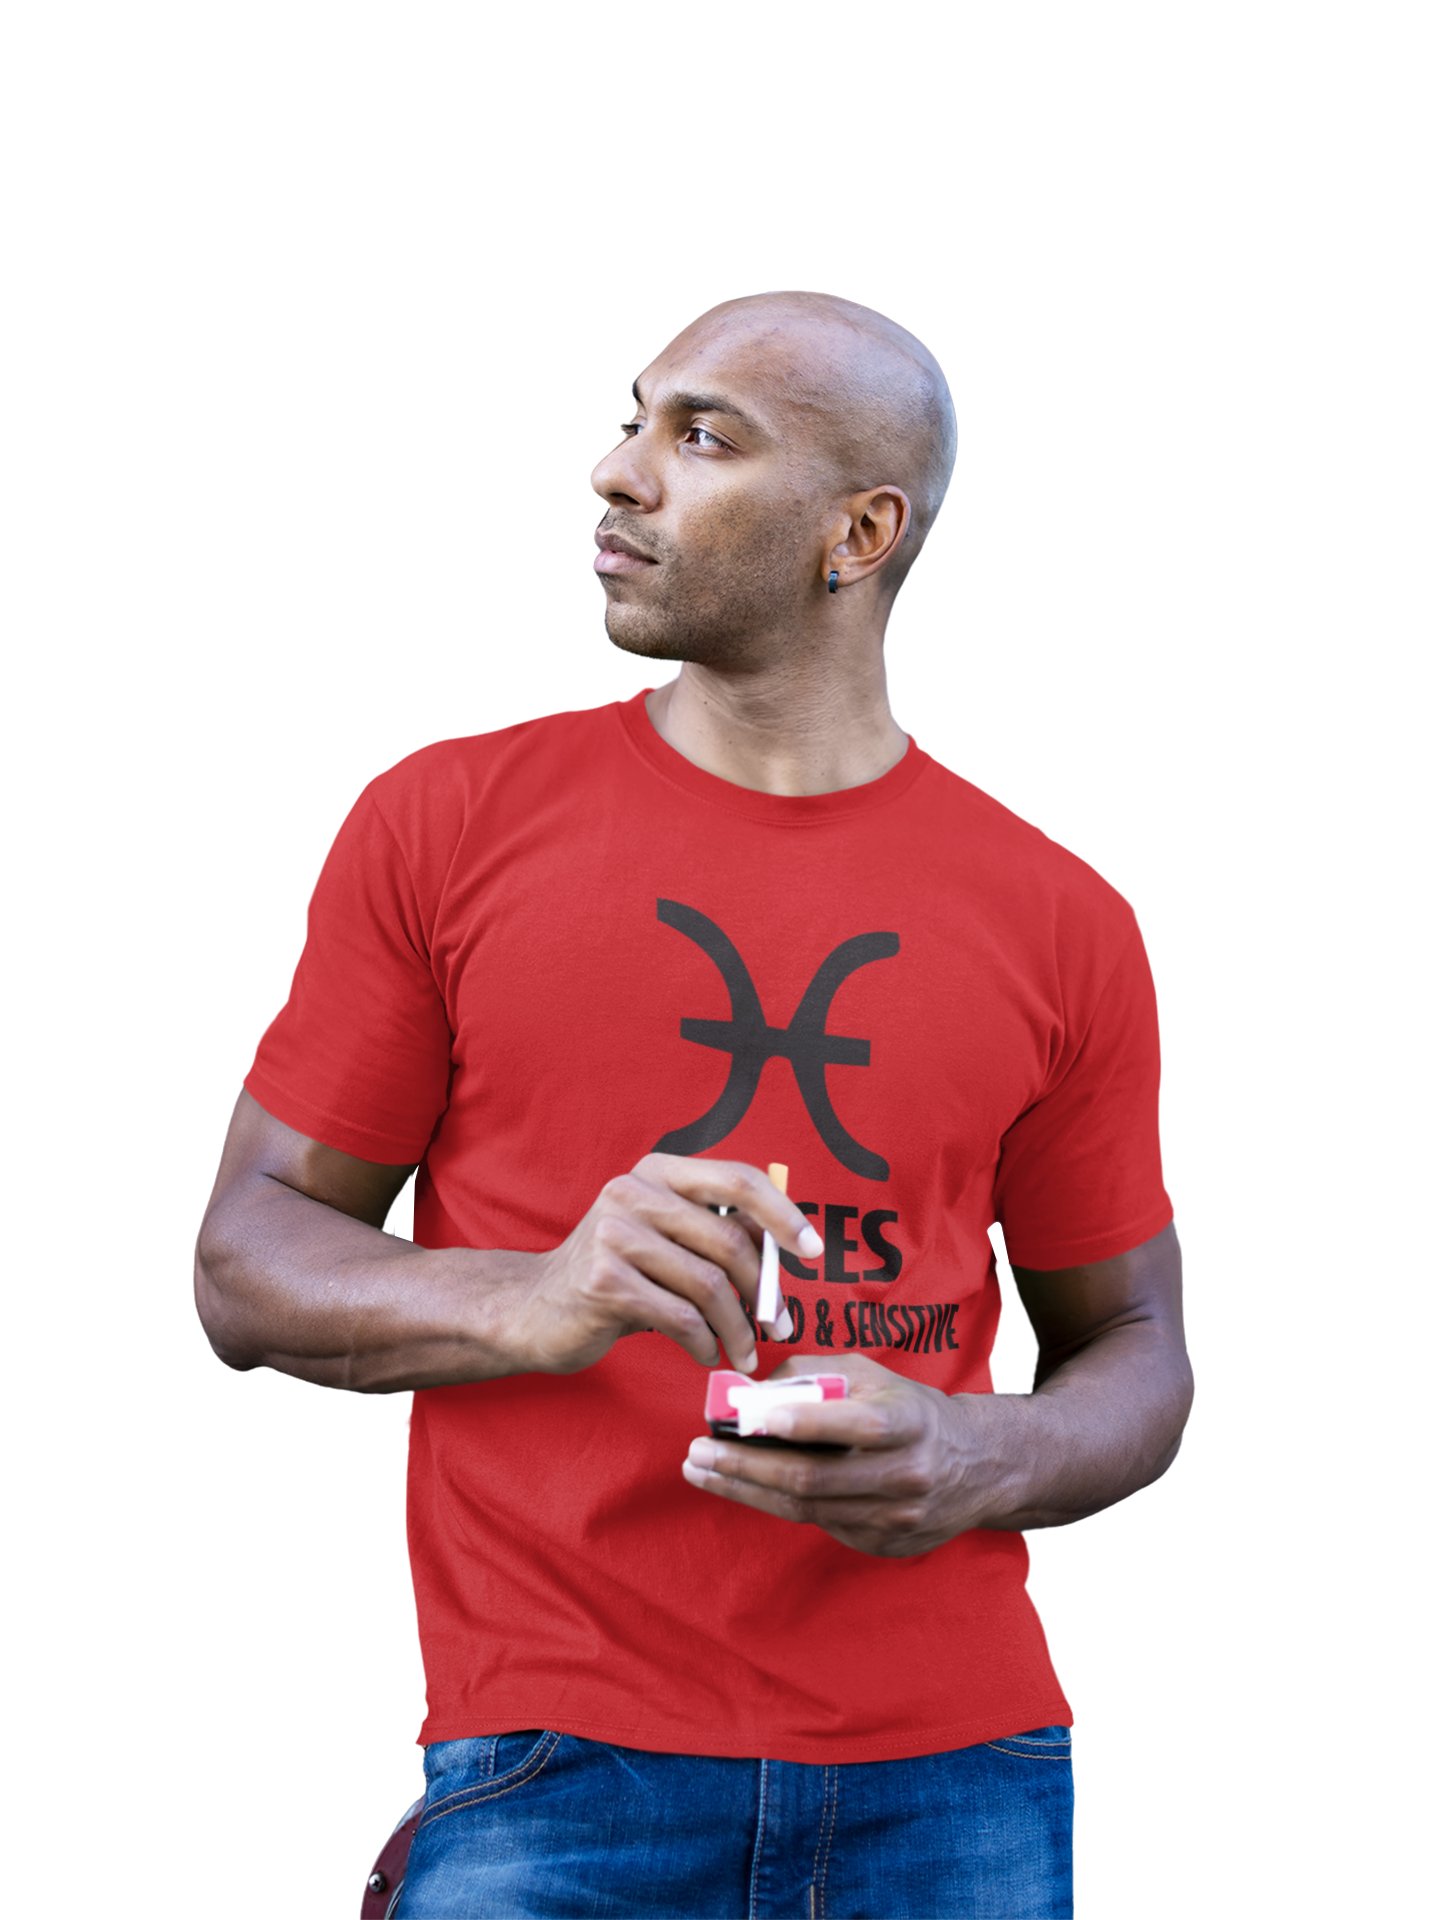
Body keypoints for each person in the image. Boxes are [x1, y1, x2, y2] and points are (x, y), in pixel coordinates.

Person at [195, 288, 1193, 1919]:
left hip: (959, 1776)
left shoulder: (1060, 919)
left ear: (858, 533)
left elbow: (1138, 1347)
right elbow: (246, 1262)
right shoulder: (448, 824)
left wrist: (981, 1449)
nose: (619, 471)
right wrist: (537, 1293)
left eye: (705, 437)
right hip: (555, 1766)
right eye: (636, 417)